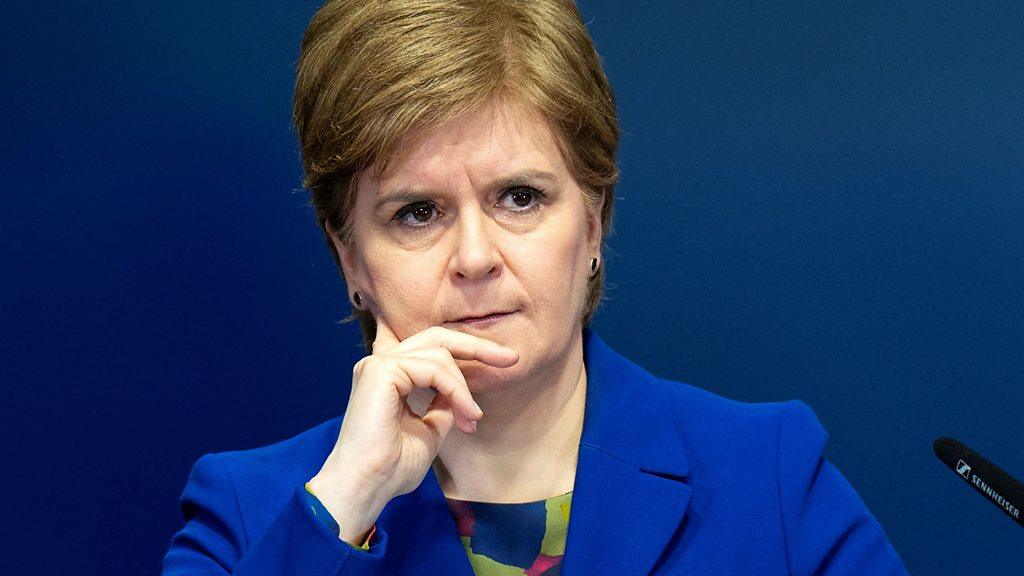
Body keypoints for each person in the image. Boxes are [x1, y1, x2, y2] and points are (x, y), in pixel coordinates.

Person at [162, 0, 909, 574]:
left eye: (519, 197)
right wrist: (350, 500)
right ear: (351, 260)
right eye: (416, 212)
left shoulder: (769, 477)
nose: (475, 256)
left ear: (594, 222)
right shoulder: (251, 512)